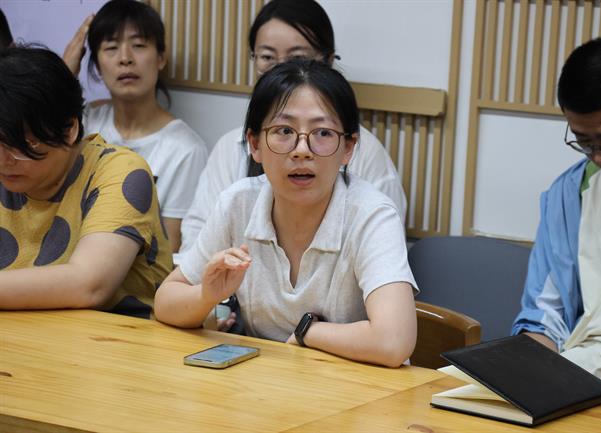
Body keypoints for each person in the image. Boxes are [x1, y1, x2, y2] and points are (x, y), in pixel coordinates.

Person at [155, 60, 417, 368]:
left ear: (348, 148)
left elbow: (393, 341)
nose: (302, 150)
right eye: (284, 131)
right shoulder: (238, 203)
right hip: (267, 383)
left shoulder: (372, 215)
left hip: (358, 386)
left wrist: (308, 333)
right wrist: (206, 295)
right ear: (254, 144)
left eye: (322, 132)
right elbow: (165, 301)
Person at [179, 0, 406, 254]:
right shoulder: (231, 149)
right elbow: (197, 239)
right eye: (267, 57)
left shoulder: (365, 154)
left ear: (328, 60)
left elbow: (384, 245)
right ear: (254, 144)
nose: (282, 69)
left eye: (298, 58)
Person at [512, 37, 601, 379]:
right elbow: (544, 315)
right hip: (576, 375)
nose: (599, 158)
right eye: (585, 142)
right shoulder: (570, 193)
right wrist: (528, 371)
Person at [0, 46, 172, 318]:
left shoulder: (120, 171)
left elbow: (89, 285)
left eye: (20, 144)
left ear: (69, 129)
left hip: (117, 338)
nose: (4, 160)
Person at [64, 0, 208, 252]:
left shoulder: (186, 149)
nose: (125, 59)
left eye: (139, 45)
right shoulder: (84, 123)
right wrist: (65, 75)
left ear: (161, 57)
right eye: (111, 47)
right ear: (96, 64)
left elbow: (170, 248)